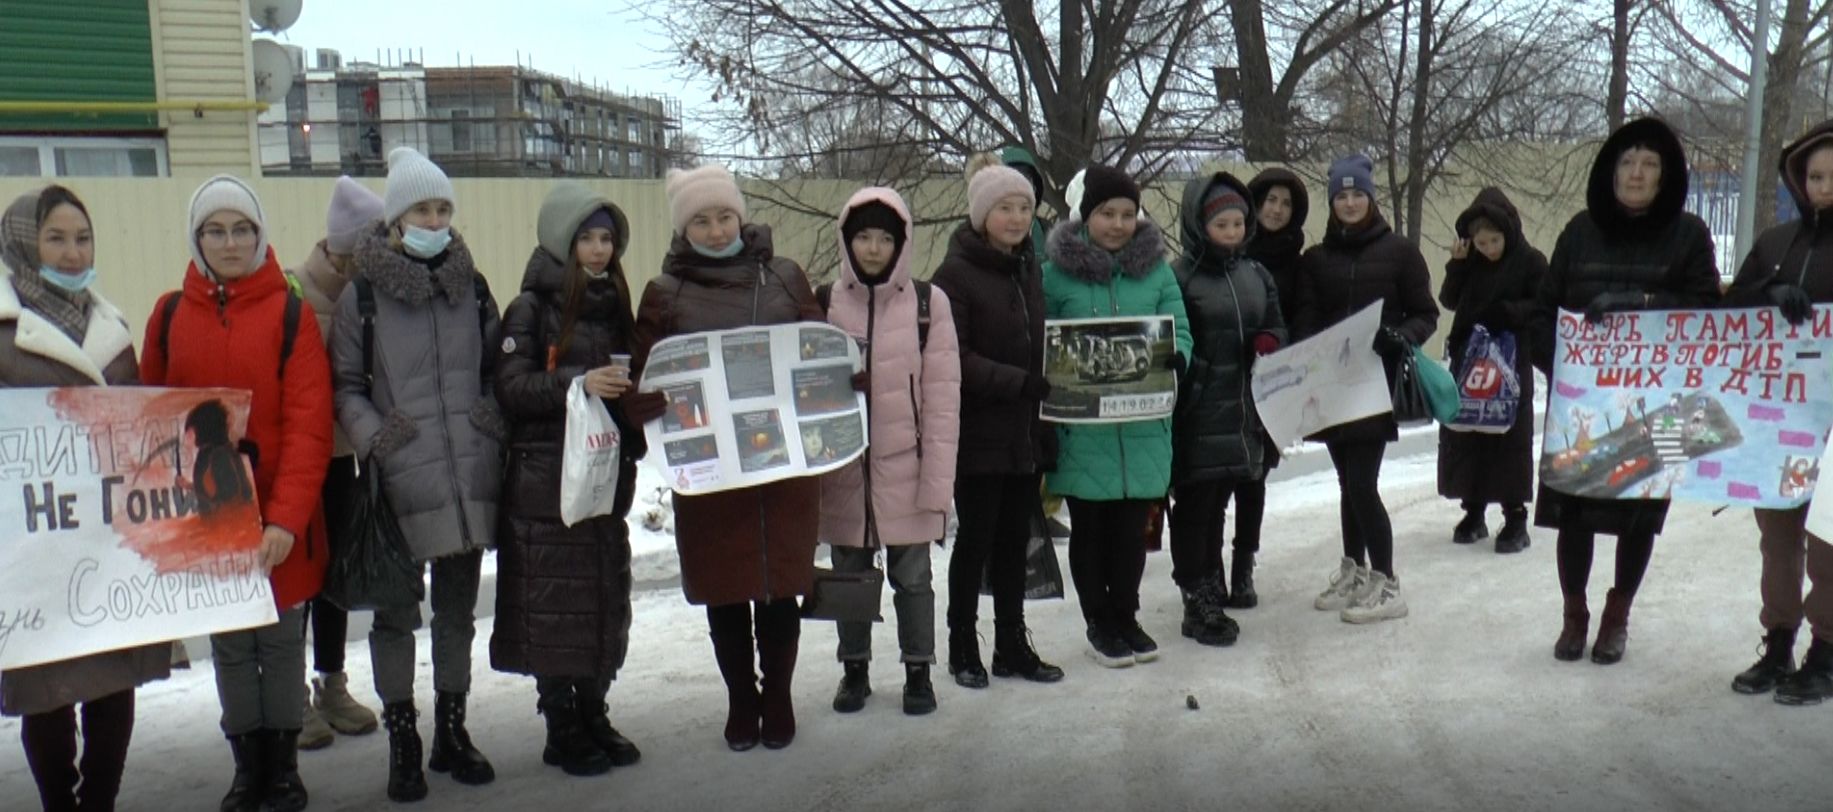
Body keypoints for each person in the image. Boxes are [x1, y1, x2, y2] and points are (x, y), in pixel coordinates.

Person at [140, 175, 334, 812]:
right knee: (229, 648)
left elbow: (309, 425)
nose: (229, 242)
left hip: (281, 524)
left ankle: (283, 767)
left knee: (279, 646)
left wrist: (284, 521)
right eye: (215, 230)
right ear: (197, 239)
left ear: (260, 234)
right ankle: (247, 768)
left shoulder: (290, 313)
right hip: (207, 524)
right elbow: (150, 425)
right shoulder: (170, 316)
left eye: (242, 228)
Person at [330, 147, 505, 801]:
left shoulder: (473, 285)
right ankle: (403, 738)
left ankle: (451, 733)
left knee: (457, 613)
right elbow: (345, 385)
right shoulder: (364, 294)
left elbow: (493, 368)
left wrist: (489, 420)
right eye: (420, 209)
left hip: (468, 472)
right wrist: (379, 441)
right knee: (396, 616)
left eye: (442, 207)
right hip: (400, 478)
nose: (433, 218)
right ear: (397, 217)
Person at [631, 164, 821, 751]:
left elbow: (816, 351)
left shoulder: (785, 278)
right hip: (710, 471)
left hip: (782, 466)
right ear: (684, 229)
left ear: (741, 217)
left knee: (779, 586)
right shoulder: (665, 294)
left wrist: (844, 383)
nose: (716, 231)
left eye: (724, 217)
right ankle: (743, 700)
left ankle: (780, 696)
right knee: (727, 588)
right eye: (701, 221)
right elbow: (645, 373)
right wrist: (646, 403)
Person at [1, 186, 172, 811]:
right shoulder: (2, 331)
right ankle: (59, 804)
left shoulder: (112, 328)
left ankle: (99, 799)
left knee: (112, 681)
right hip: (32, 551)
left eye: (82, 238)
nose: (73, 254)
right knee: (47, 691)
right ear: (23, 244)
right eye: (56, 239)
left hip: (106, 541)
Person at [1528, 117, 1721, 665]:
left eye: (1650, 164)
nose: (1636, 173)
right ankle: (1574, 615)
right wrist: (1565, 370)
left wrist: (1639, 304)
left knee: (1637, 518)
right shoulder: (1579, 232)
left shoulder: (1689, 236)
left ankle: (1616, 616)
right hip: (1583, 408)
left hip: (1655, 407)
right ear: (1611, 171)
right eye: (1627, 162)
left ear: (1666, 177)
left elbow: (1706, 313)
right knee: (1573, 515)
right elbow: (1544, 313)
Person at [492, 182, 647, 774]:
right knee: (556, 605)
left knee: (601, 598)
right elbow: (510, 388)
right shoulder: (530, 308)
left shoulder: (616, 306)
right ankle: (561, 725)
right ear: (564, 239)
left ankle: (594, 713)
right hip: (546, 485)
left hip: (603, 481)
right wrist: (577, 382)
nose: (600, 249)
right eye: (587, 237)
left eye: (608, 238)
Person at [1042, 164, 1193, 668]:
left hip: (1144, 427)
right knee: (1091, 532)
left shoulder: (1157, 270)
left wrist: (1178, 359)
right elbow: (1040, 337)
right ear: (1087, 216)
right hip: (1084, 431)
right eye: (1107, 213)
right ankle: (1099, 622)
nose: (1118, 223)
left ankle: (1127, 616)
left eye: (1128, 213)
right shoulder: (1054, 273)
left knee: (1132, 536)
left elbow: (1182, 331)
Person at [820, 187, 961, 716]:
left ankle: (918, 671)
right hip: (844, 470)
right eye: (863, 237)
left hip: (908, 464)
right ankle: (854, 668)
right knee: (847, 578)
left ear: (901, 243)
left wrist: (938, 482)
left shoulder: (929, 304)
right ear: (847, 241)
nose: (874, 248)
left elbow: (944, 400)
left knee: (914, 578)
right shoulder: (824, 302)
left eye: (885, 237)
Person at [930, 155, 1065, 688]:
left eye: (1025, 208)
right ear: (982, 214)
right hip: (978, 432)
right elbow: (952, 358)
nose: (1016, 218)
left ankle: (1012, 642)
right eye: (1005, 208)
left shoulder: (1028, 266)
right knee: (976, 541)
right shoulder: (954, 275)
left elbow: (1043, 343)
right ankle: (963, 645)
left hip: (1025, 431)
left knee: (1017, 540)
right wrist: (1019, 382)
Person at [1293, 154, 1440, 625]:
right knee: (1346, 484)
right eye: (1342, 195)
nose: (1350, 202)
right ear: (1333, 202)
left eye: (1358, 194)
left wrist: (1399, 337)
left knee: (1362, 482)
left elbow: (1425, 313)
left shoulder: (1399, 252)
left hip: (1375, 387)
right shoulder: (1315, 259)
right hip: (1332, 388)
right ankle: (1354, 570)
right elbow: (1307, 316)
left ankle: (1388, 581)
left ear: (1371, 199)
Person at [1723, 119, 1833, 703]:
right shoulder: (1773, 244)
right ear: (1800, 180)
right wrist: (1766, 295)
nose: (1826, 187)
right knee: (1779, 535)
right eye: (1816, 176)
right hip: (1778, 418)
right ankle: (1780, 637)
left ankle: (1827, 649)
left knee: (1830, 538)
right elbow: (1729, 314)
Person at [1168, 171, 1286, 647]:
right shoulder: (1179, 276)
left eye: (1239, 224)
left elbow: (1277, 323)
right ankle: (1196, 596)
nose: (1233, 233)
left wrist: (1269, 341)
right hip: (1197, 413)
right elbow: (1172, 334)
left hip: (1242, 411)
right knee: (1195, 507)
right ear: (1201, 225)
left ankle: (1211, 586)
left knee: (1218, 502)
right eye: (1223, 225)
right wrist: (1193, 374)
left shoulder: (1255, 274)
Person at [292, 176, 384, 750]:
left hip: (348, 456)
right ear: (344, 247)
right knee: (300, 577)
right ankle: (291, 696)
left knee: (336, 574)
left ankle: (332, 682)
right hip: (304, 461)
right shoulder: (300, 294)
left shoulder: (372, 291)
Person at [1436, 188, 1546, 554]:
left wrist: (1510, 312)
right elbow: (1450, 299)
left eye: (1494, 241)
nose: (1488, 249)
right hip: (1470, 360)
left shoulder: (1530, 261)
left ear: (1509, 232)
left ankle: (1515, 516)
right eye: (1481, 242)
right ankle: (1474, 509)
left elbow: (1545, 305)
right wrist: (1457, 263)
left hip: (1511, 361)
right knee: (1468, 431)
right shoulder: (1472, 262)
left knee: (1509, 436)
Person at [1229, 168, 1310, 608]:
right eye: (1270, 201)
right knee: (1215, 478)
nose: (1276, 210)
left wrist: (1280, 346)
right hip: (1225, 381)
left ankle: (1243, 566)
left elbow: (1305, 320)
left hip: (1273, 385)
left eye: (1286, 203)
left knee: (1254, 478)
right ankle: (1205, 569)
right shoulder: (1229, 250)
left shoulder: (1299, 265)